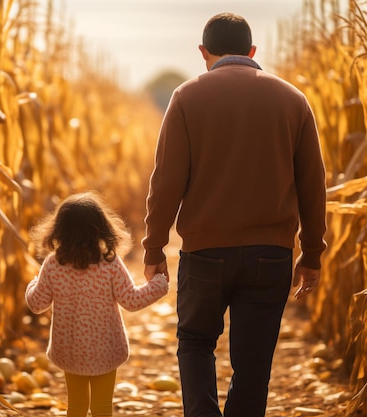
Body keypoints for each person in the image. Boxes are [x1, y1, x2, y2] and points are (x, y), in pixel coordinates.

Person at [141, 12, 327, 417]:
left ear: (203, 52)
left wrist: (154, 246)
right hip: (270, 255)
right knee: (254, 362)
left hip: (205, 254)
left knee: (194, 342)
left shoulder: (187, 97)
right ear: (253, 52)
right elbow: (314, 185)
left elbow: (166, 180)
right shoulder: (293, 100)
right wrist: (312, 253)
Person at [25, 191, 168, 417]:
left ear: (59, 229)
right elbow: (131, 300)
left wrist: (33, 284)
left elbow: (37, 303)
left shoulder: (54, 265)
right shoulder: (109, 264)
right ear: (100, 228)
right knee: (102, 408)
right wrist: (159, 284)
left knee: (76, 407)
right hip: (105, 349)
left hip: (70, 350)